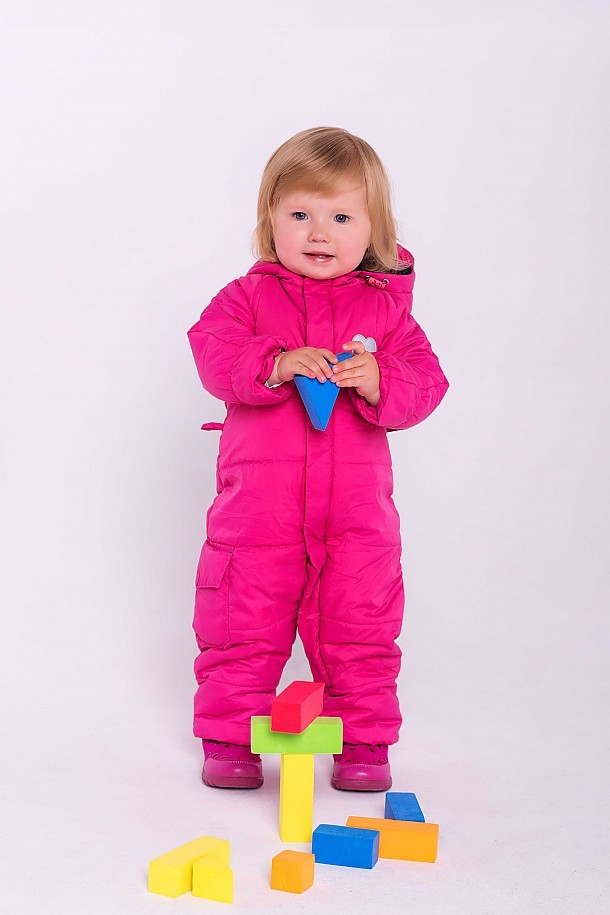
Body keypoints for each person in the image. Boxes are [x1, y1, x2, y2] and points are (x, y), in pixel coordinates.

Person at [187, 126, 450, 792]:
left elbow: (427, 382)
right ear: (270, 220)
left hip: (355, 518)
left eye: (341, 217)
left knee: (361, 624)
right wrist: (273, 363)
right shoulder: (246, 299)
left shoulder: (385, 314)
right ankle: (230, 737)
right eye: (300, 215)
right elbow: (212, 350)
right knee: (240, 619)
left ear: (373, 229)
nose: (319, 233)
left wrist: (380, 378)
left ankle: (363, 741)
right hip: (258, 513)